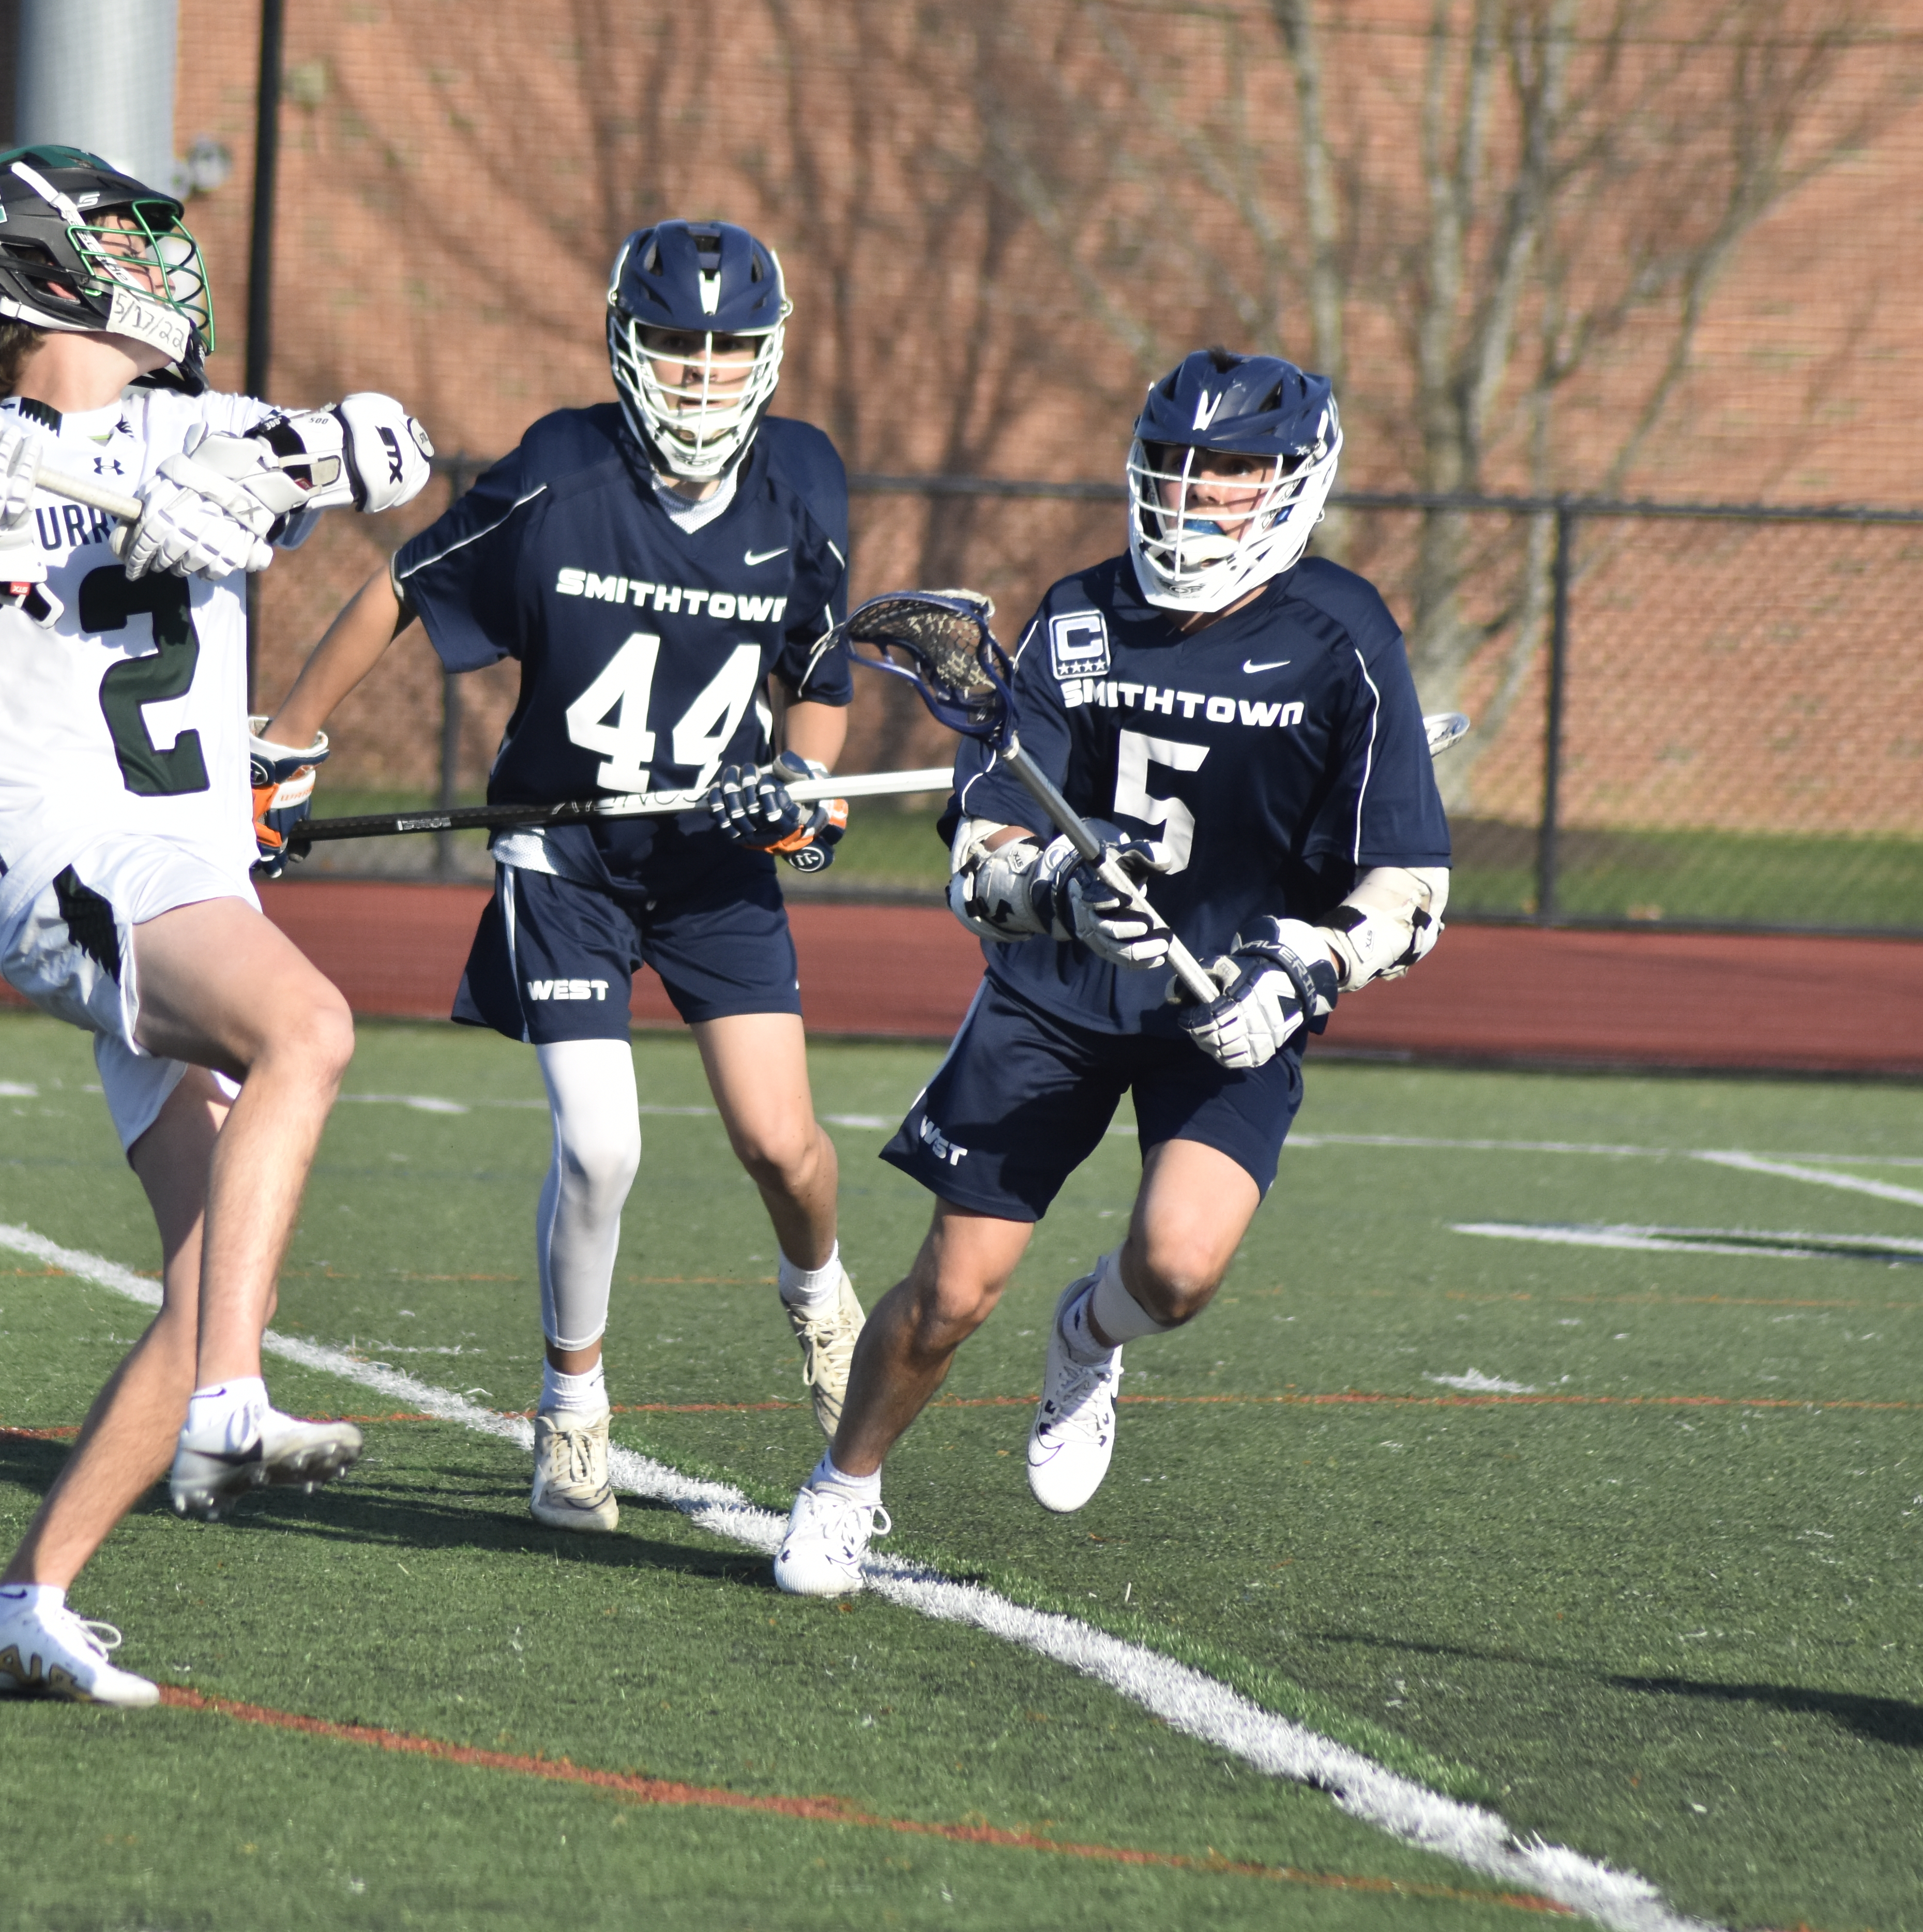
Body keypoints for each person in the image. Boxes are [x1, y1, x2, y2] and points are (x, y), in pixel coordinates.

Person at [0, 145, 435, 1701]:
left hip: (187, 886)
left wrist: (271, 469)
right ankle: (233, 1405)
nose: (155, 263)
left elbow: (395, 448)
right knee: (312, 1025)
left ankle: (20, 1601)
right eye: (113, 239)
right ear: (36, 273)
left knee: (205, 1268)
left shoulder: (189, 425)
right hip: (74, 882)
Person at [770, 347, 1454, 1597]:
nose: (1199, 496)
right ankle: (844, 1483)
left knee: (1179, 1269)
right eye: (1181, 467)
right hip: (1060, 998)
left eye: (1235, 472)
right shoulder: (1080, 612)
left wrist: (1304, 969)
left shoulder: (1342, 633)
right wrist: (1064, 894)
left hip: (1227, 1001)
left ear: (1296, 483)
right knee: (949, 1293)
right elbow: (980, 857)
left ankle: (1087, 1340)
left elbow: (1411, 888)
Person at [258, 219, 865, 1538]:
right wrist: (288, 740)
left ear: (768, 356)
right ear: (624, 341)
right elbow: (401, 591)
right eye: (676, 346)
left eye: (728, 351)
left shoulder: (803, 481)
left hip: (710, 860)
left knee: (783, 1143)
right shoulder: (564, 468)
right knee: (602, 1147)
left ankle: (820, 1294)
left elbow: (818, 678)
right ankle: (572, 1408)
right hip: (567, 849)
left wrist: (802, 787)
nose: (703, 376)